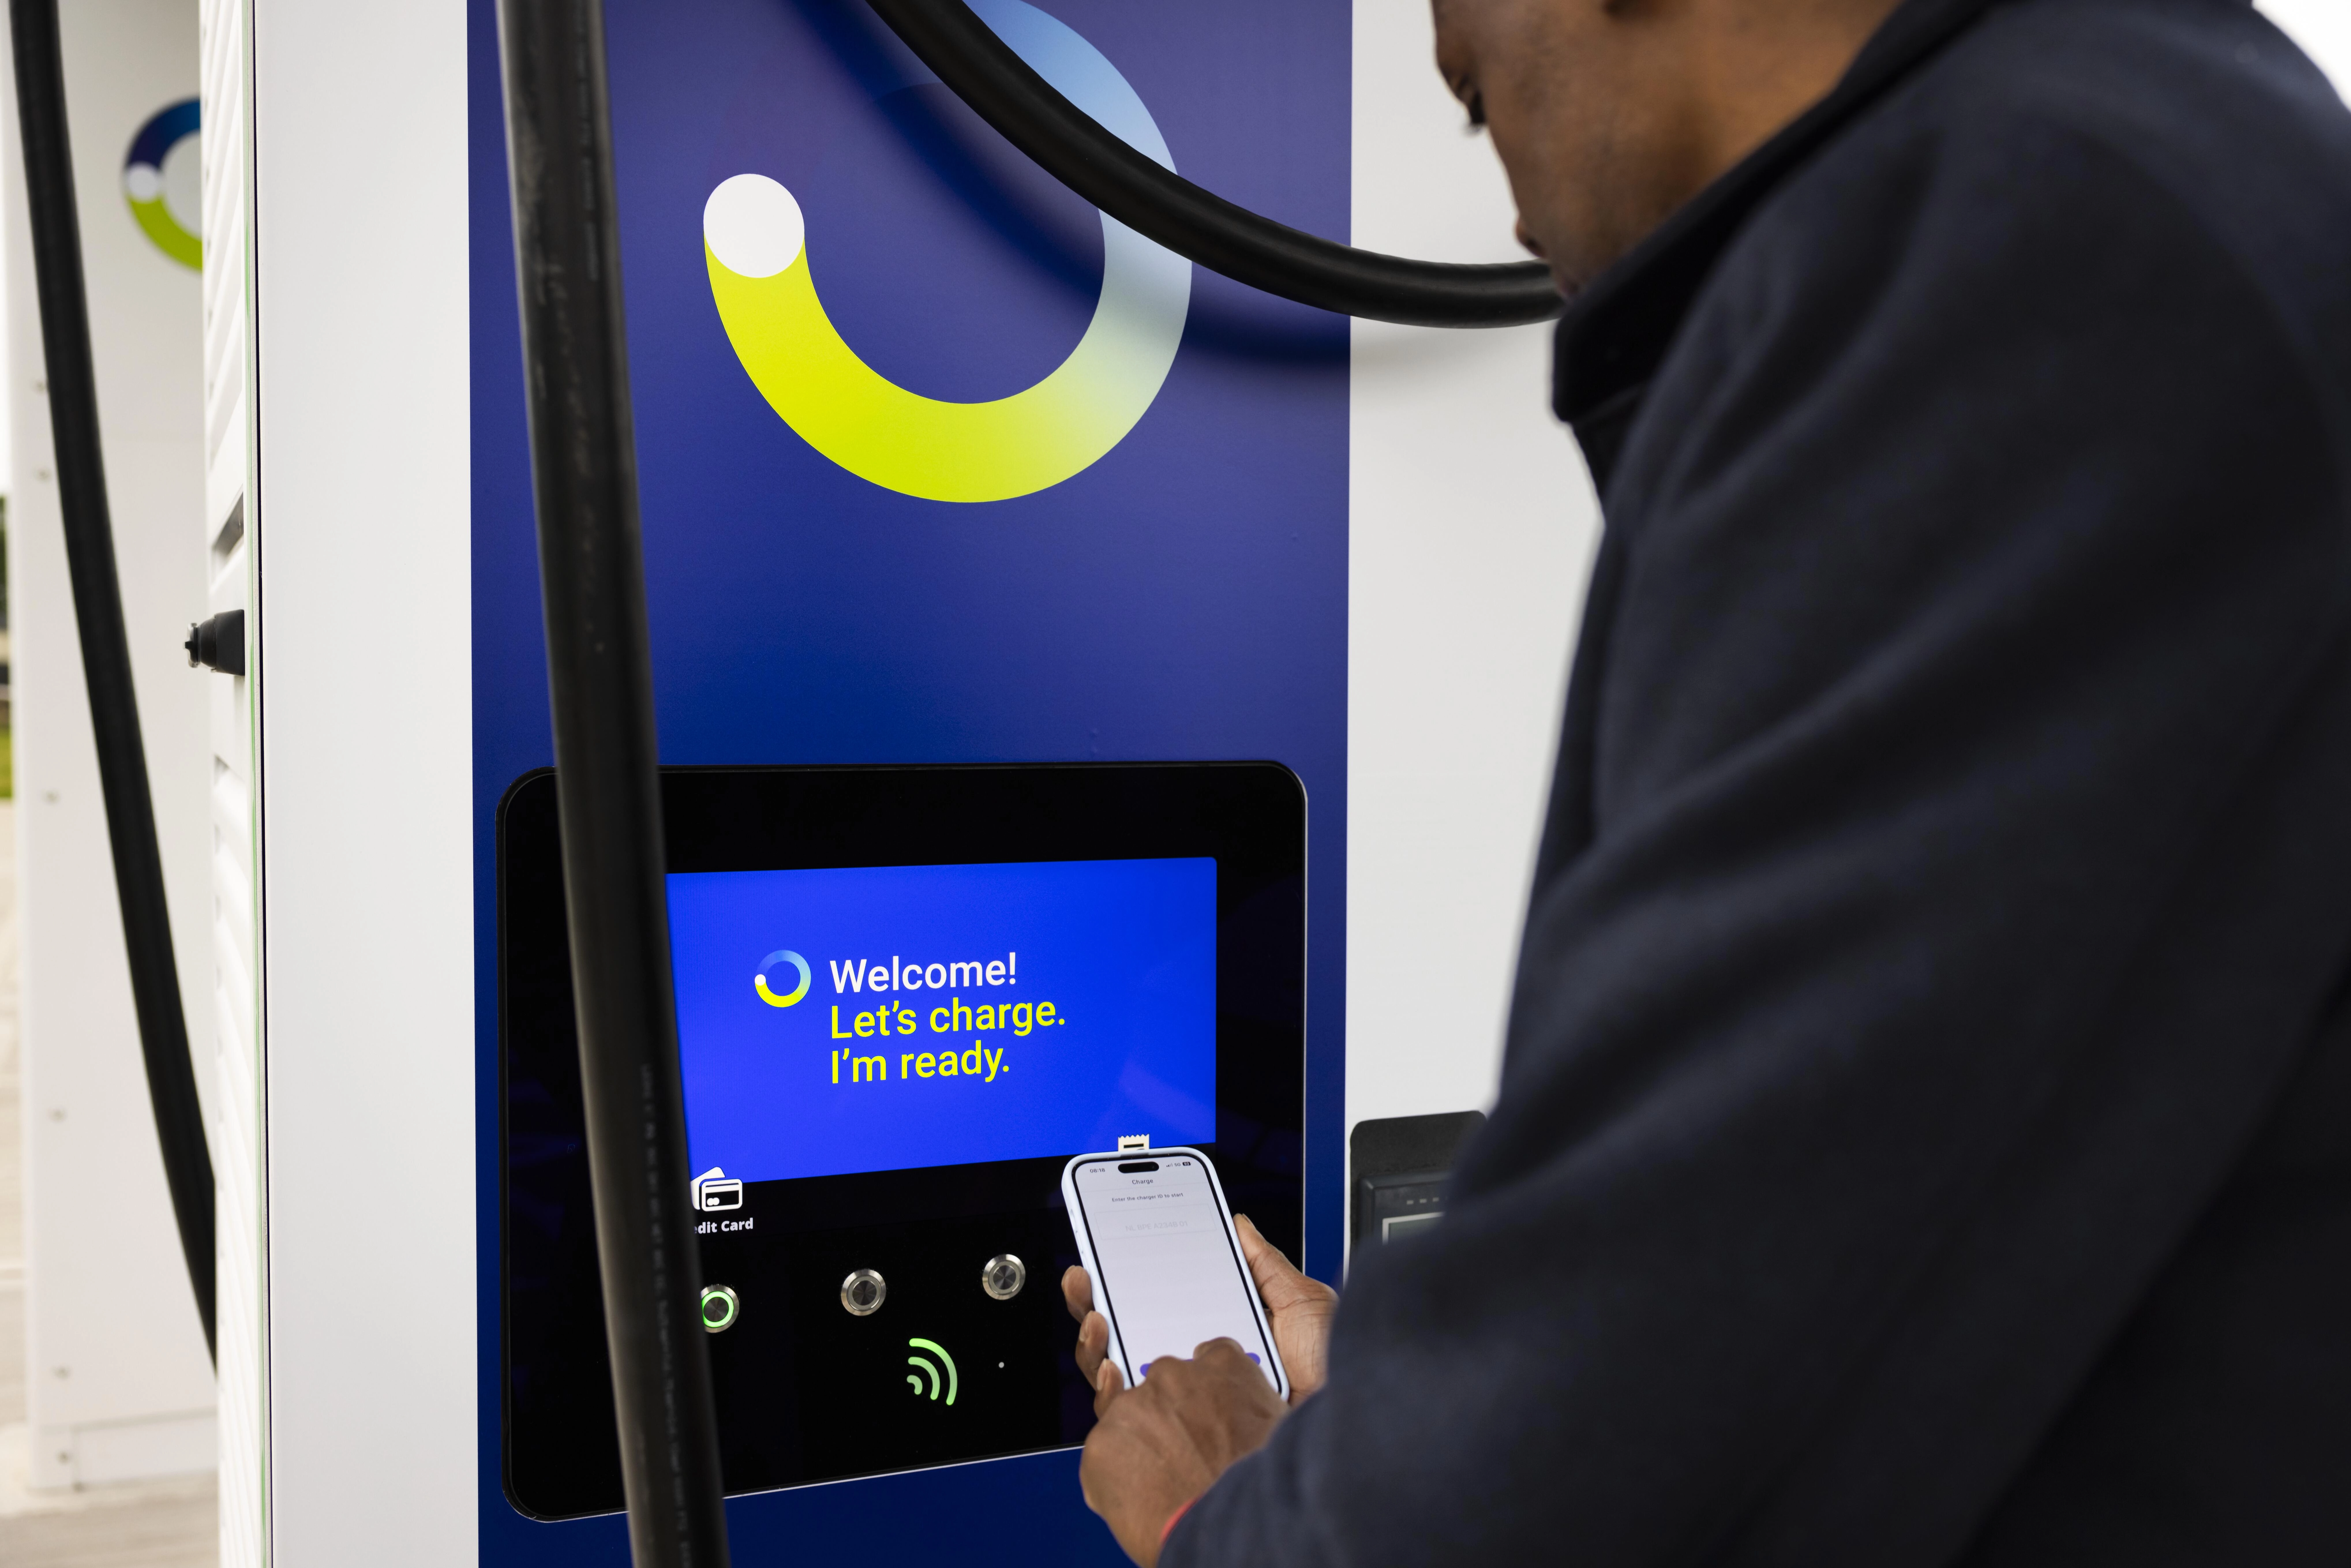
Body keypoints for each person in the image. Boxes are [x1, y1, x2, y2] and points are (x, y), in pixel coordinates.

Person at [1062, 0, 2351, 1560]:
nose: (1446, 65)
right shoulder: (2147, 158)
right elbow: (1886, 1214)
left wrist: (1229, 1511)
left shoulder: (2017, 235)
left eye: (1474, 101)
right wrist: (1420, 1378)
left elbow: (1641, 1410)